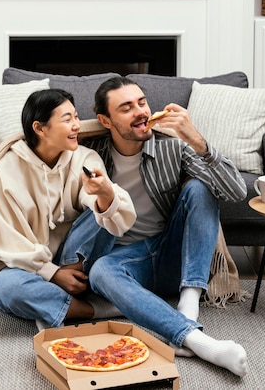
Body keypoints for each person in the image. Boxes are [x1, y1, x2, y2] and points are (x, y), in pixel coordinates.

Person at [83, 76, 248, 378]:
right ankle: (195, 340)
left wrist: (196, 140)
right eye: (126, 108)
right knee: (100, 271)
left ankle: (189, 303)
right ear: (105, 120)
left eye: (142, 103)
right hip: (127, 264)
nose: (140, 112)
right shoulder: (89, 155)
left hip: (173, 254)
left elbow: (237, 193)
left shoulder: (174, 146)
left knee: (200, 188)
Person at [0, 88, 136, 331]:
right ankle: (99, 309)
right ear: (40, 128)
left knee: (105, 208)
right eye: (67, 119)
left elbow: (111, 219)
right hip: (26, 268)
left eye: (76, 117)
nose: (77, 126)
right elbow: (10, 242)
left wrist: (103, 192)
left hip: (74, 261)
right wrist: (53, 274)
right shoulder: (6, 169)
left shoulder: (84, 158)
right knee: (6, 289)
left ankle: (53, 305)